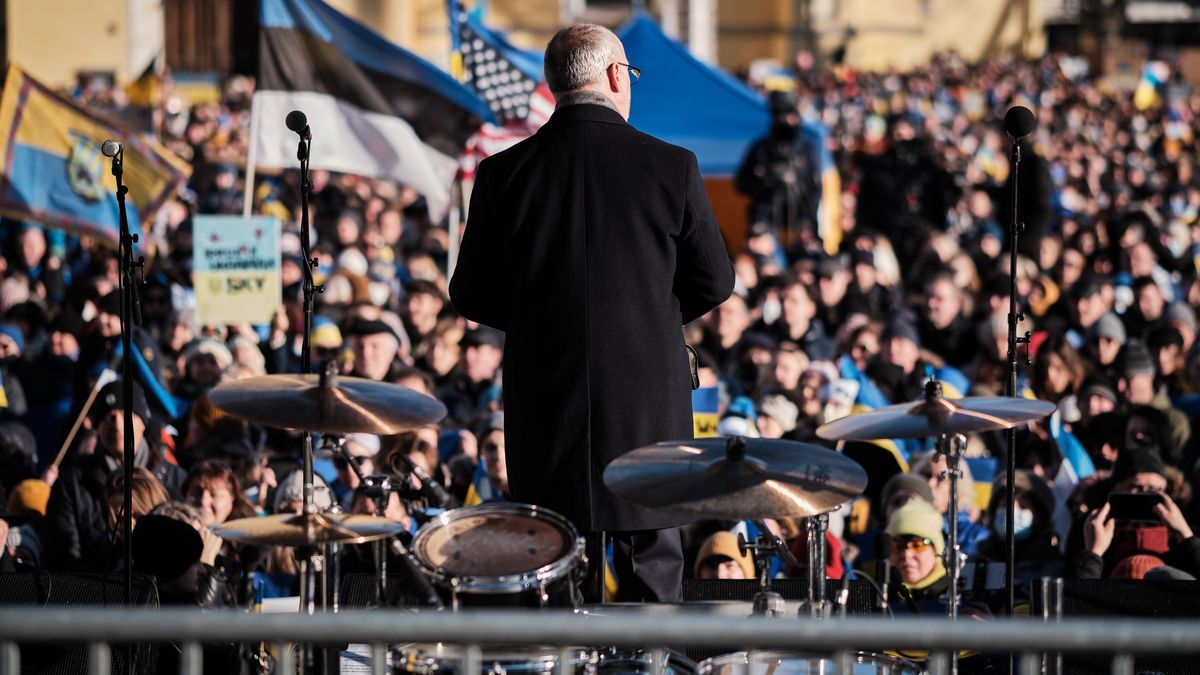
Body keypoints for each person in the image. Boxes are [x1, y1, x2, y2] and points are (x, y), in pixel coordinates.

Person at [449, 23, 734, 603]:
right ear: (612, 76)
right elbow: (716, 280)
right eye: (629, 73)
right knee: (652, 586)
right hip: (648, 408)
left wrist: (541, 317)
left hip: (545, 406)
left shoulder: (503, 173)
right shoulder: (670, 166)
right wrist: (652, 314)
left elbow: (471, 293)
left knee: (556, 586)